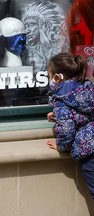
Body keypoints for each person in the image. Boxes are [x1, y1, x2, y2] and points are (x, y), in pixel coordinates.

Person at [46, 52, 94, 199]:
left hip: (90, 151)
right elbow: (84, 112)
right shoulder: (87, 89)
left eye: (49, 75)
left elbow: (66, 131)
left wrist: (61, 145)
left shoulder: (61, 98)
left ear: (57, 77)